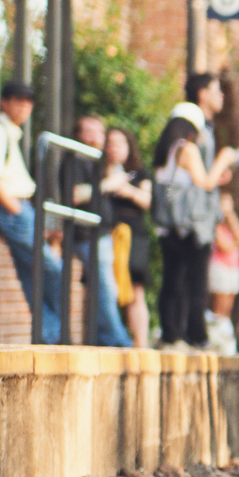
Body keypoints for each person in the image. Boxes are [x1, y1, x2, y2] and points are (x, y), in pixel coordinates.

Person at [153, 73, 239, 349]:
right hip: (189, 222)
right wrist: (224, 159)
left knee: (174, 278)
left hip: (171, 221)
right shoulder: (188, 147)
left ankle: (174, 335)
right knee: (191, 281)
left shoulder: (169, 149)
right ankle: (190, 335)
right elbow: (204, 182)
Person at [0, 79, 63, 338]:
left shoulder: (11, 134)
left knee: (31, 276)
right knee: (53, 267)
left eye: (29, 103)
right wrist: (16, 211)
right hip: (12, 209)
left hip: (21, 209)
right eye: (19, 101)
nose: (25, 107)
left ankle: (48, 336)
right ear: (4, 103)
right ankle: (54, 333)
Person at [64, 115, 132, 346]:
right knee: (104, 290)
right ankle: (120, 342)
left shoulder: (95, 163)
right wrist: (108, 184)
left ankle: (105, 341)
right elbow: (73, 194)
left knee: (107, 290)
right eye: (89, 132)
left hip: (103, 235)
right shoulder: (74, 160)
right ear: (78, 135)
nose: (96, 138)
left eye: (100, 133)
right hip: (86, 236)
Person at [98, 125, 153, 348]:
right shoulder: (98, 172)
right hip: (106, 233)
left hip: (133, 234)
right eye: (110, 143)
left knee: (135, 291)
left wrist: (127, 190)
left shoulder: (140, 173)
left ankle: (140, 345)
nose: (114, 148)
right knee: (104, 288)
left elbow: (148, 201)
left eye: (119, 143)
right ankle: (109, 339)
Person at [207, 192, 239, 350]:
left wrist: (231, 216)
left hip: (233, 268)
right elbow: (226, 246)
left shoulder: (230, 224)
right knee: (219, 307)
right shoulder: (214, 224)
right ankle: (217, 340)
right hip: (220, 267)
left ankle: (224, 339)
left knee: (227, 309)